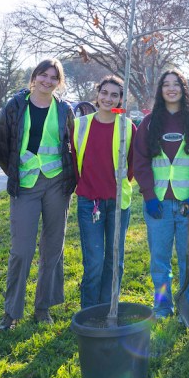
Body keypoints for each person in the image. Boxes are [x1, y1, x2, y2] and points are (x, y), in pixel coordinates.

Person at [0, 58, 77, 330]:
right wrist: (15, 173)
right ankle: (12, 311)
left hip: (57, 184)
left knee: (53, 247)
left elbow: (71, 145)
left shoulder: (65, 110)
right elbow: (1, 144)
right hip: (26, 185)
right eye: (43, 75)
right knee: (22, 249)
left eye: (54, 77)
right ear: (34, 77)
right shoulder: (15, 105)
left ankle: (43, 308)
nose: (47, 81)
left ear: (59, 82)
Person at [133, 70, 189, 320]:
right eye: (165, 84)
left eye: (176, 84)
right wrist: (148, 196)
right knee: (159, 261)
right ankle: (163, 306)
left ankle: (187, 306)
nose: (171, 89)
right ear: (160, 90)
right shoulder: (149, 122)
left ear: (183, 88)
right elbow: (140, 161)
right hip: (159, 205)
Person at [71, 76, 136, 309]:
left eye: (114, 95)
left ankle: (109, 308)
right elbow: (72, 160)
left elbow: (133, 163)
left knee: (114, 260)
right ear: (97, 94)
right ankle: (89, 311)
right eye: (104, 93)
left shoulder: (127, 126)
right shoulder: (80, 125)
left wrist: (117, 186)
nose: (108, 98)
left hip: (118, 203)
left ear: (120, 99)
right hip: (90, 202)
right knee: (95, 261)